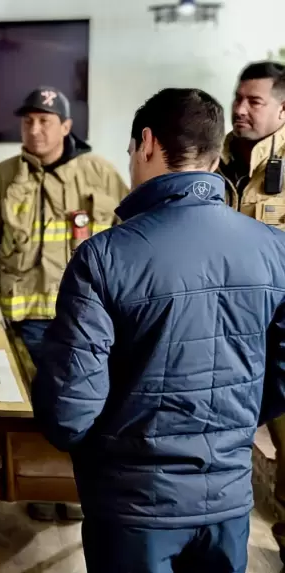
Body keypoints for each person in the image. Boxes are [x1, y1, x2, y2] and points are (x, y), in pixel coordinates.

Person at [33, 87, 285, 573]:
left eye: (130, 150)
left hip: (132, 506)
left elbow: (68, 412)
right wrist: (234, 420)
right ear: (215, 154)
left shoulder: (104, 257)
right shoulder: (273, 249)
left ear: (145, 142)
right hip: (228, 497)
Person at [0, 86, 129, 522]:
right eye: (28, 121)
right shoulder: (2, 177)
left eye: (45, 121)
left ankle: (74, 491)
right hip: (23, 322)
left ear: (66, 127)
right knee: (33, 410)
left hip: (87, 320)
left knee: (84, 406)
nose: (35, 130)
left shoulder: (101, 174)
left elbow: (130, 241)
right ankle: (29, 483)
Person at [216, 61, 285, 555]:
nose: (240, 110)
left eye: (254, 101)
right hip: (220, 332)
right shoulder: (210, 160)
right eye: (238, 98)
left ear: (283, 108)